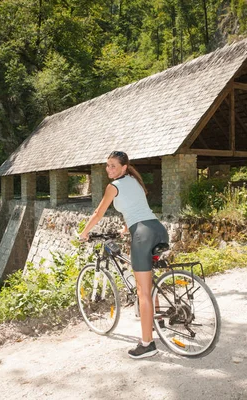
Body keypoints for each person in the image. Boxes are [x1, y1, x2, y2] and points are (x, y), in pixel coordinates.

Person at [79, 151, 169, 359]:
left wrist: (84, 233)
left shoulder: (114, 187)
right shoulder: (134, 182)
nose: (109, 169)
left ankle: (147, 344)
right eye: (107, 165)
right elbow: (137, 207)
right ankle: (159, 318)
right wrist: (126, 228)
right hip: (157, 229)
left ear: (124, 167)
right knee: (149, 280)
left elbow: (98, 213)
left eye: (113, 166)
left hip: (143, 234)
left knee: (142, 292)